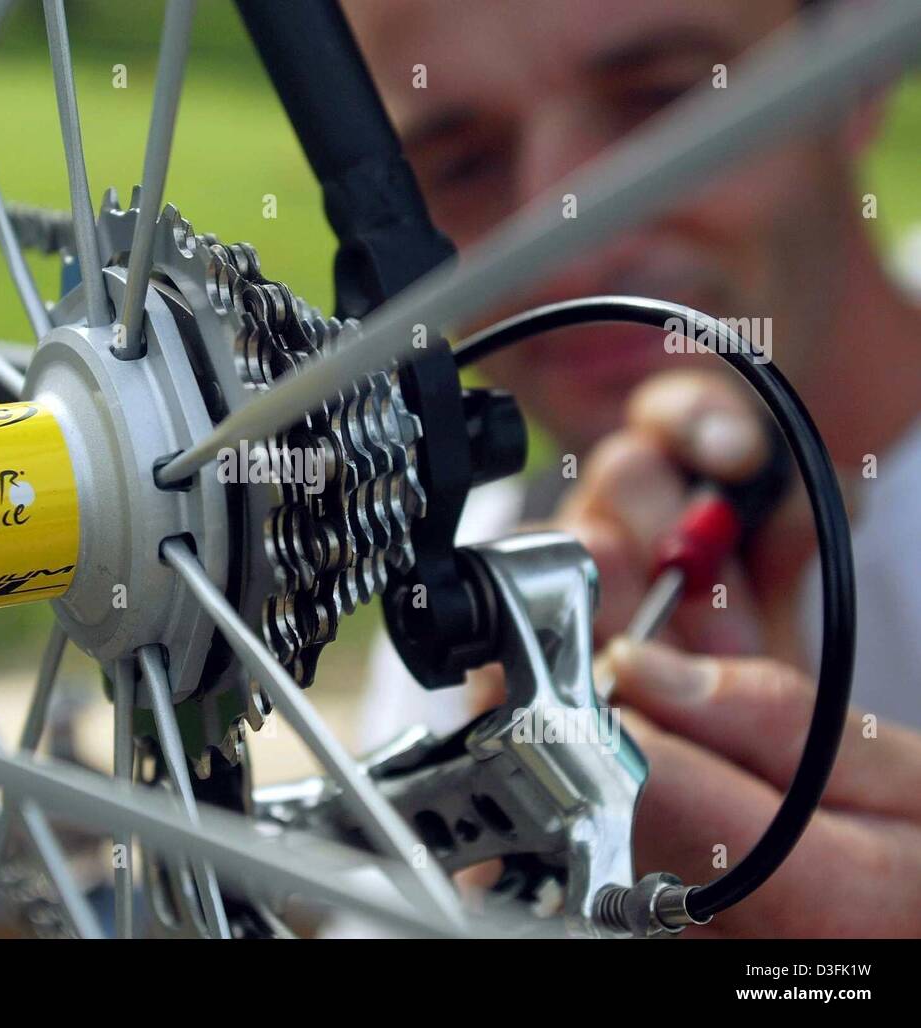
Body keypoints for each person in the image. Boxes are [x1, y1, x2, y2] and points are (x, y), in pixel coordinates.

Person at [340, 0, 921, 935]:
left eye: (662, 105)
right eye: (462, 164)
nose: (569, 248)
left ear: (858, 65)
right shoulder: (488, 569)